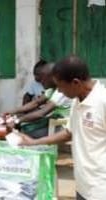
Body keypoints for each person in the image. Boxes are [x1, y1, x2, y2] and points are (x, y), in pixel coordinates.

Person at [18, 55, 106, 200]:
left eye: (60, 86)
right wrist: (33, 143)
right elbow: (68, 133)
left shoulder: (102, 101)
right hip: (83, 184)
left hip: (100, 188)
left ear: (75, 83)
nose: (58, 91)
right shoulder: (77, 101)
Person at [3, 63, 72, 138]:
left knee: (23, 133)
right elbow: (35, 103)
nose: (40, 82)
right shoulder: (51, 90)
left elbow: (41, 113)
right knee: (22, 127)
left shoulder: (61, 92)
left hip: (62, 126)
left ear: (53, 78)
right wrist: (10, 112)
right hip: (53, 122)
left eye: (43, 78)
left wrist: (17, 120)